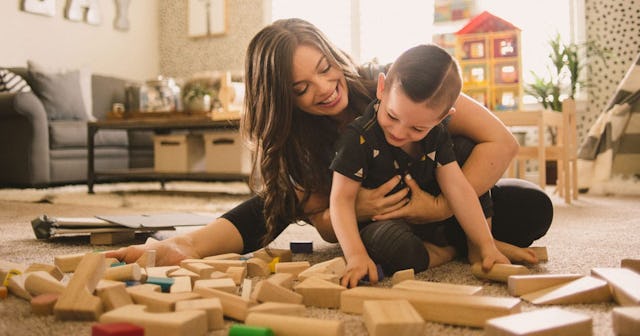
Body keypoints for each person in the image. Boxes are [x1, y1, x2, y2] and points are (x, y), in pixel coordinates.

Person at [107, 18, 552, 270]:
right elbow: (290, 211)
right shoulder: (301, 142)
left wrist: (438, 207)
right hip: (384, 225)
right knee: (386, 246)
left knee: (532, 207)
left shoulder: (389, 80)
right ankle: (455, 247)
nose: (324, 89)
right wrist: (187, 246)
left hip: (444, 198)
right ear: (283, 100)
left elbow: (499, 141)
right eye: (301, 88)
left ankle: (467, 240)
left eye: (324, 67)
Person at [330, 44, 510, 287]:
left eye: (417, 128)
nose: (398, 132)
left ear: (444, 116)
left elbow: (459, 189)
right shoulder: (359, 136)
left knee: (469, 161)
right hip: (384, 224)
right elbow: (341, 200)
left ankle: (475, 246)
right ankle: (445, 253)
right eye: (392, 116)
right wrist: (356, 256)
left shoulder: (437, 134)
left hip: (431, 221)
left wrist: (487, 245)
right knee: (391, 245)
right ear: (382, 88)